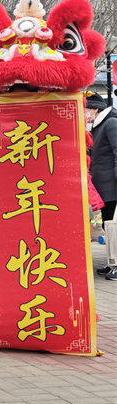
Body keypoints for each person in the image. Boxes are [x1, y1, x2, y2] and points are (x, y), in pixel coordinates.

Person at [85, 94, 117, 280]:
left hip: (112, 185)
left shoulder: (111, 123)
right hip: (104, 187)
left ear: (95, 109)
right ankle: (112, 262)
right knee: (108, 225)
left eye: (86, 110)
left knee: (114, 227)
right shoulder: (98, 126)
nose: (85, 114)